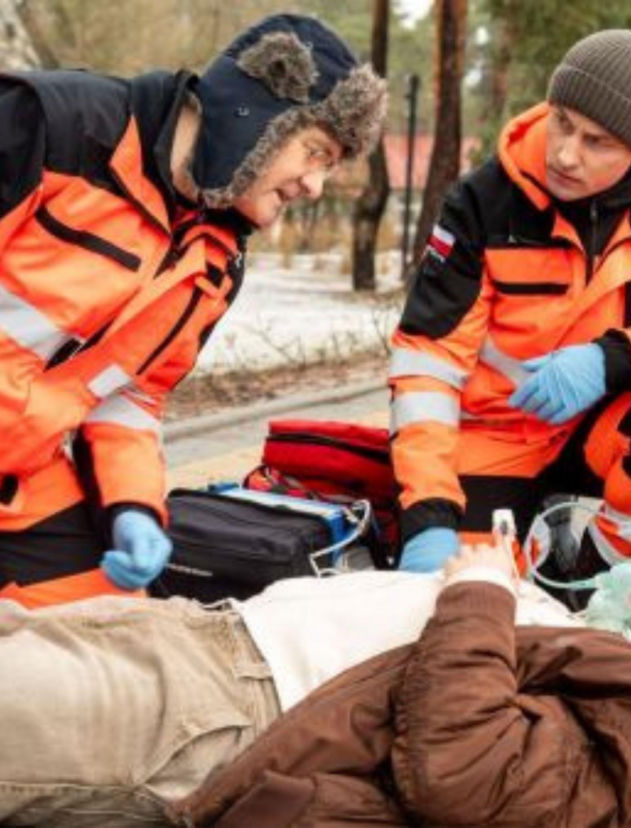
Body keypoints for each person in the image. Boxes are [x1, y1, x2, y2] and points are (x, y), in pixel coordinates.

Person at [0, 14, 386, 608]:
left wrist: (132, 509)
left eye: (329, 167)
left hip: (23, 483)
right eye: (315, 152)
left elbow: (131, 398)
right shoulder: (54, 127)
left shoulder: (217, 262)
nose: (314, 186)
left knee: (118, 639)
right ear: (254, 113)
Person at [0, 547, 631, 826]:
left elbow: (465, 773)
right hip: (201, 635)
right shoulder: (593, 660)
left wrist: (481, 598)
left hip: (216, 709)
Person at [389, 30, 631, 575]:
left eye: (597, 142)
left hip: (610, 428)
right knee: (465, 595)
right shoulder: (482, 203)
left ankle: (592, 575)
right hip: (499, 435)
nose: (565, 154)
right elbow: (426, 368)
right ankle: (531, 538)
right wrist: (428, 516)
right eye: (562, 121)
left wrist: (612, 361)